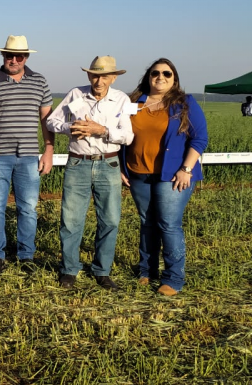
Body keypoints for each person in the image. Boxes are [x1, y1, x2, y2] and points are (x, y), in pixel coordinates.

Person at [121, 58, 208, 296]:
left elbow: (199, 138)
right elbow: (121, 135)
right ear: (148, 76)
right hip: (138, 173)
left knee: (168, 225)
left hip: (172, 176)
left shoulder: (184, 103)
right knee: (147, 223)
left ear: (174, 78)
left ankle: (173, 278)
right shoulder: (132, 103)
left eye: (166, 74)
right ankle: (147, 271)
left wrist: (186, 169)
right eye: (155, 73)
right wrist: (121, 166)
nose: (160, 77)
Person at [46, 56, 134, 290]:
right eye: (95, 75)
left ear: (113, 77)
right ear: (88, 75)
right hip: (78, 164)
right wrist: (70, 127)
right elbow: (51, 122)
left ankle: (102, 271)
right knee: (71, 219)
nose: (99, 80)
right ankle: (69, 270)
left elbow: (128, 136)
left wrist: (101, 130)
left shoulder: (121, 99)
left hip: (109, 164)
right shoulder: (75, 94)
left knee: (110, 219)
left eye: (105, 76)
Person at [0, 35, 54, 275]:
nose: (14, 60)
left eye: (19, 56)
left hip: (29, 156)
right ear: (3, 56)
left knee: (28, 208)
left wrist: (49, 150)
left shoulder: (39, 81)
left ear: (26, 57)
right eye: (10, 55)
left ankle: (26, 255)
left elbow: (47, 120)